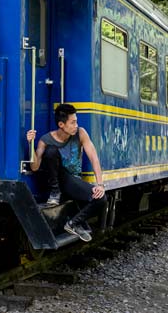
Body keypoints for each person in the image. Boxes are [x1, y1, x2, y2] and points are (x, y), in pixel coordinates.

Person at [26, 103, 107, 243]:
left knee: (101, 198)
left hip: (72, 182)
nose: (76, 125)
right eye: (73, 122)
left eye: (76, 122)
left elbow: (94, 158)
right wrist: (30, 144)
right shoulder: (46, 140)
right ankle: (55, 192)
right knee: (51, 151)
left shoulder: (81, 133)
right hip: (55, 182)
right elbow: (34, 167)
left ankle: (73, 223)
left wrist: (100, 184)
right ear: (61, 124)